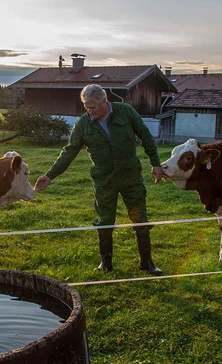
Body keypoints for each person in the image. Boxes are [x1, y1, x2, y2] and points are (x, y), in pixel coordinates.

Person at [34, 84, 166, 275]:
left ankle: (147, 263)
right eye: (86, 106)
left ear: (105, 101)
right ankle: (106, 263)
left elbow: (145, 136)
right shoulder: (83, 124)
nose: (89, 110)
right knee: (105, 222)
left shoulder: (126, 112)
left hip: (131, 177)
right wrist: (49, 175)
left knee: (140, 219)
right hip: (104, 181)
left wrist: (156, 164)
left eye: (92, 106)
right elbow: (69, 152)